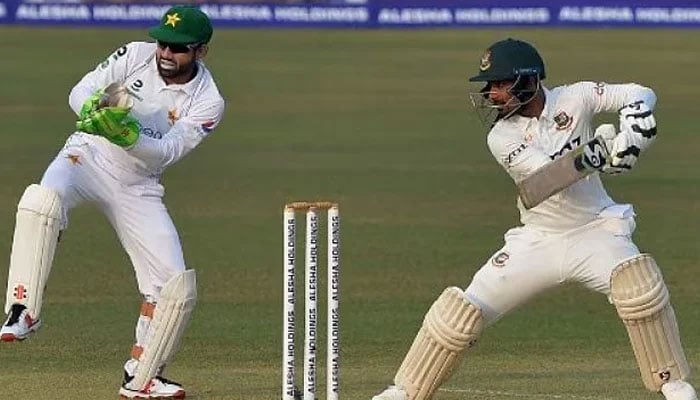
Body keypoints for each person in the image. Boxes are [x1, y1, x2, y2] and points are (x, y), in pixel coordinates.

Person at [371, 38, 697, 400]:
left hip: (596, 232)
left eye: (500, 84)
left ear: (528, 81)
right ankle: (403, 391)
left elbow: (641, 92)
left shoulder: (576, 97)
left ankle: (674, 384)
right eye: (489, 86)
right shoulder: (501, 136)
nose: (492, 94)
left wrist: (634, 126)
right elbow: (544, 182)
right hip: (537, 240)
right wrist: (603, 152)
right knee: (462, 312)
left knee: (640, 286)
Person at [1, 5, 224, 399]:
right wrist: (92, 110)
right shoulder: (136, 54)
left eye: (178, 49)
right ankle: (23, 310)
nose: (166, 54)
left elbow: (170, 150)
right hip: (86, 155)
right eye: (163, 44)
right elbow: (82, 89)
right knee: (42, 200)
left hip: (138, 183)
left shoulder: (207, 101)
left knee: (175, 286)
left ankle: (143, 377)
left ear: (200, 51)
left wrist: (128, 136)